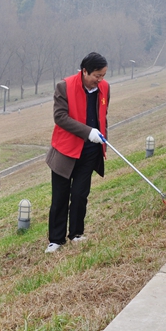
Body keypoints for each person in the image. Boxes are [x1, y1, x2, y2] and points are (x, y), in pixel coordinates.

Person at [45, 52, 109, 253]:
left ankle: (76, 234)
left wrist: (101, 137)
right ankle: (56, 239)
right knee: (60, 196)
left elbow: (102, 115)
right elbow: (60, 117)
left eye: (103, 76)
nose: (99, 80)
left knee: (81, 194)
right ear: (84, 71)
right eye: (96, 75)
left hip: (90, 151)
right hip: (66, 151)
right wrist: (87, 131)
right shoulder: (64, 87)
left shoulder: (104, 88)